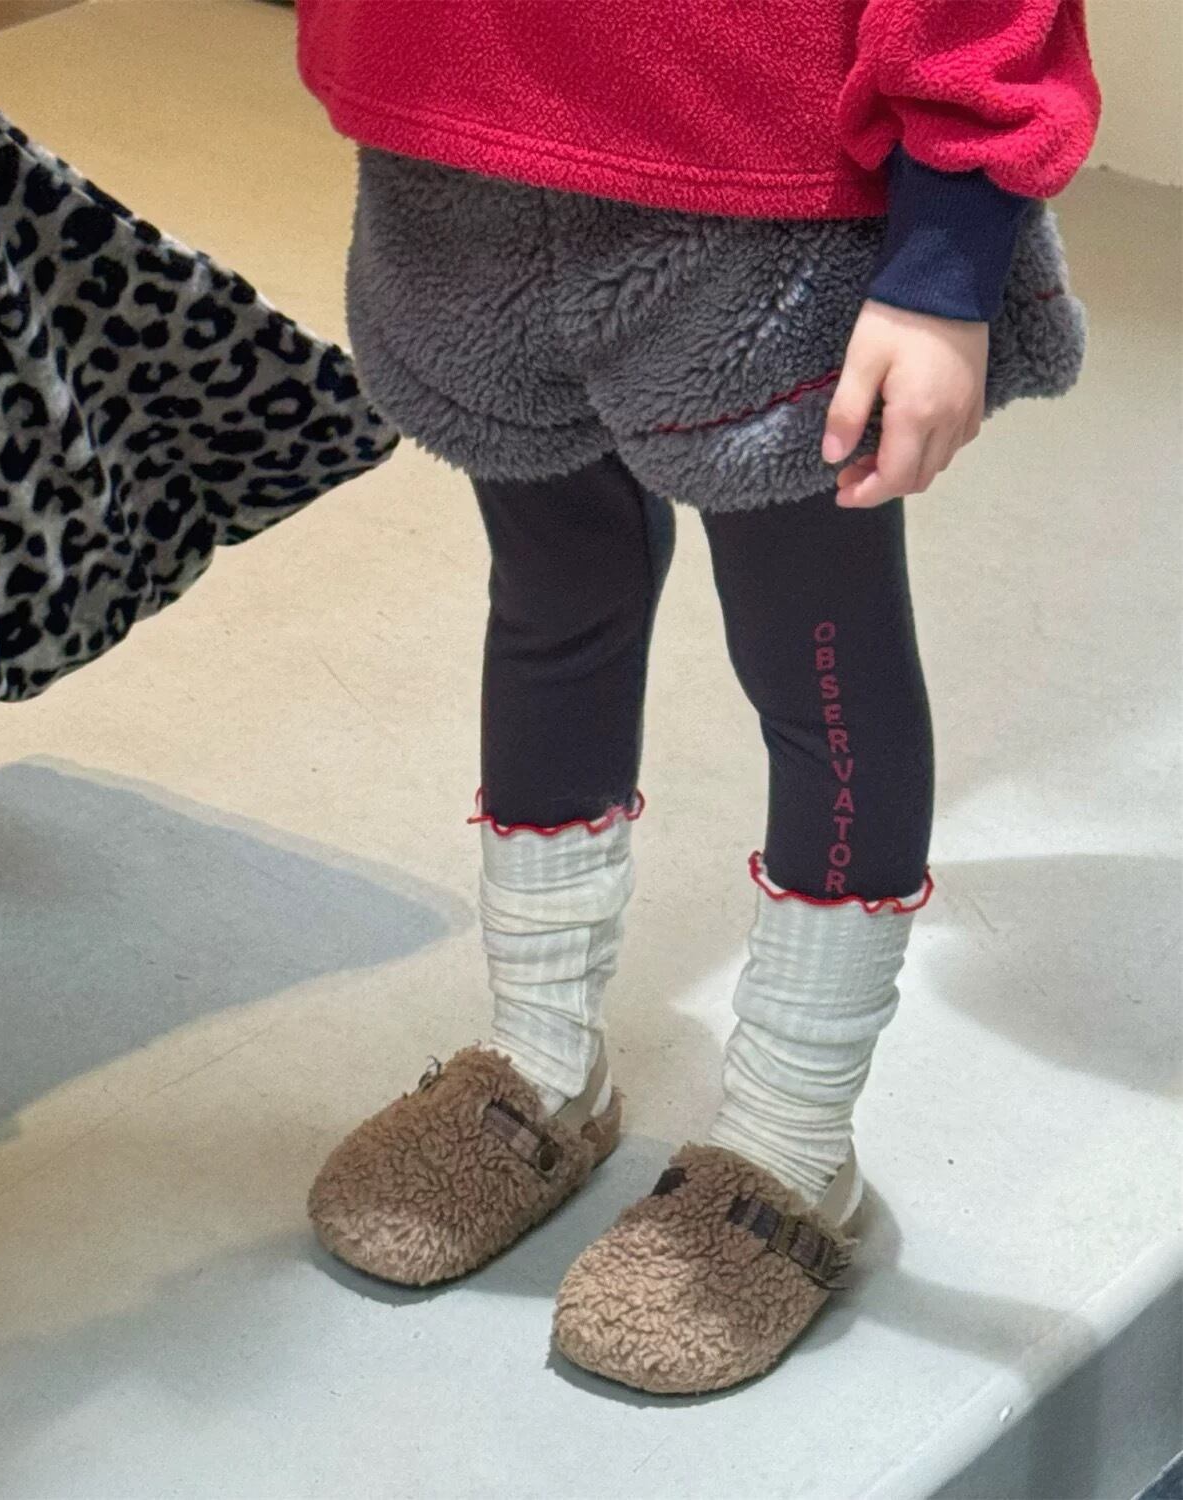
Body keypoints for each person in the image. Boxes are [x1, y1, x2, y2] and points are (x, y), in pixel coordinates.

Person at [295, 0, 1101, 1395]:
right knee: (552, 587)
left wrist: (946, 254)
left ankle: (792, 1140)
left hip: (762, 168)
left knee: (816, 651)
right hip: (457, 136)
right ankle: (541, 1061)